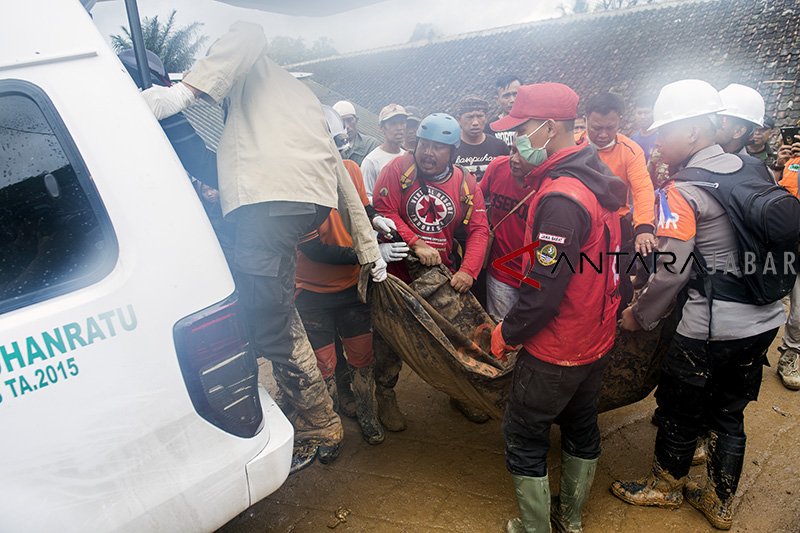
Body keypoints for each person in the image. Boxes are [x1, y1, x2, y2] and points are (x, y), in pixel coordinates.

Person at [139, 21, 386, 470]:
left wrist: (186, 92)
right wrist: (368, 247)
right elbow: (334, 171)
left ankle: (318, 426)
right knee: (274, 315)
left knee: (269, 329)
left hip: (266, 205)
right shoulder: (299, 98)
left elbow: (248, 31)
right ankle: (312, 414)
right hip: (295, 206)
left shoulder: (253, 61)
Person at [611, 80, 786, 531]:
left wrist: (639, 314)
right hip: (765, 318)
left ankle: (666, 485)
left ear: (692, 133)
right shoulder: (754, 169)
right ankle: (720, 500)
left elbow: (672, 271)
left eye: (663, 132)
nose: (657, 143)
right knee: (730, 411)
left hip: (710, 325)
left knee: (678, 403)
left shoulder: (680, 192)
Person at [489, 82, 626, 533]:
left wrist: (506, 333)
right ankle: (571, 520)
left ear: (549, 128)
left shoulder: (561, 200)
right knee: (580, 423)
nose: (516, 139)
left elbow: (544, 290)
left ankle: (534, 528)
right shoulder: (595, 177)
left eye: (522, 129)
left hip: (558, 346)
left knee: (524, 434)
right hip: (595, 337)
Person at [295, 107, 410, 446]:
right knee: (323, 364)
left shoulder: (349, 170)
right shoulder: (299, 184)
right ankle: (327, 428)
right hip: (312, 291)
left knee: (362, 356)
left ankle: (366, 411)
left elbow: (360, 205)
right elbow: (315, 250)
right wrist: (369, 255)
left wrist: (375, 220)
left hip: (351, 288)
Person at [372, 113, 490, 427]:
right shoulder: (397, 170)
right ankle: (385, 394)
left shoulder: (465, 182)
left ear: (452, 151)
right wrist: (415, 242)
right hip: (396, 274)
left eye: (438, 147)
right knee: (389, 338)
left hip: (440, 275)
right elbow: (384, 210)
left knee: (455, 338)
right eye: (424, 144)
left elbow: (480, 230)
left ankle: (461, 394)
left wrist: (468, 271)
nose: (428, 153)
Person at [478, 145, 535, 320]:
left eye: (523, 154)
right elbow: (476, 197)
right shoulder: (497, 167)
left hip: (534, 276)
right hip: (501, 271)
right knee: (501, 330)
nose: (514, 159)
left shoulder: (550, 182)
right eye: (513, 150)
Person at [776, 132, 800, 390]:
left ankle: (790, 354)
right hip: (781, 245)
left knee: (799, 314)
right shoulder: (790, 162)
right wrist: (777, 166)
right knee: (766, 303)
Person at [454, 96, 509, 182]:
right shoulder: (451, 148)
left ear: (486, 117)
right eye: (469, 117)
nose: (475, 123)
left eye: (480, 116)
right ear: (459, 119)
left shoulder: (500, 147)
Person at [361, 104, 408, 200]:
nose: (399, 128)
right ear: (382, 128)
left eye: (402, 123)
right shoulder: (371, 161)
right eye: (393, 123)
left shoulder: (407, 157)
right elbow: (366, 197)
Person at [715, 83, 766, 156]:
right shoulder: (698, 159)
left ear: (738, 131)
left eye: (720, 119)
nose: (711, 124)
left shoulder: (751, 167)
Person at [333, 100, 381, 166]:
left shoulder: (370, 145)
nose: (347, 126)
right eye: (342, 122)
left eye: (350, 120)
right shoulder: (330, 149)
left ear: (356, 121)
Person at [488, 75, 522, 147]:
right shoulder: (490, 127)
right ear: (497, 100)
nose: (512, 100)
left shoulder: (533, 124)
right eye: (506, 96)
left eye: (515, 94)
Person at [630, 95, 658, 162]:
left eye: (647, 113)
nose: (643, 117)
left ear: (654, 112)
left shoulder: (663, 137)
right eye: (639, 113)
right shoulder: (632, 140)